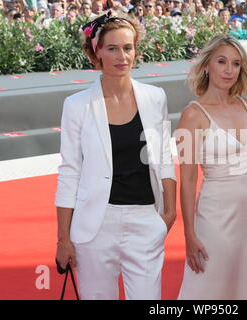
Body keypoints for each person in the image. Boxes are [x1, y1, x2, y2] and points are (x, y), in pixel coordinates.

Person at [55, 11, 177, 300]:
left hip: (145, 220)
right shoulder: (76, 106)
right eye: (112, 48)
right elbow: (69, 172)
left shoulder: (155, 96)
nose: (122, 56)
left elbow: (163, 156)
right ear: (96, 53)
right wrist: (63, 238)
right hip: (95, 226)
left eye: (128, 47)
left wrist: (169, 213)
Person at [176, 34, 247, 300]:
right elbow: (188, 181)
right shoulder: (191, 115)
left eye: (236, 64)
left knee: (246, 286)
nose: (229, 70)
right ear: (207, 65)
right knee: (210, 288)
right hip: (215, 219)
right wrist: (189, 234)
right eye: (222, 62)